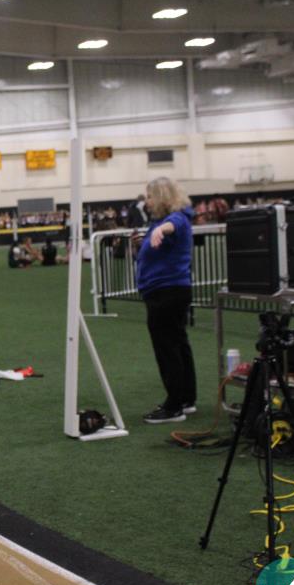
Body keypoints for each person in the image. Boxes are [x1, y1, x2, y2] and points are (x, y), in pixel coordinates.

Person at [135, 177, 197, 424]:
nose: (147, 202)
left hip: (166, 293)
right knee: (178, 344)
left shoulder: (175, 219)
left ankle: (174, 406)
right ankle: (186, 398)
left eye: (150, 197)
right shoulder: (170, 219)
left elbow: (172, 226)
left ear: (162, 197)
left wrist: (160, 230)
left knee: (167, 348)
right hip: (172, 291)